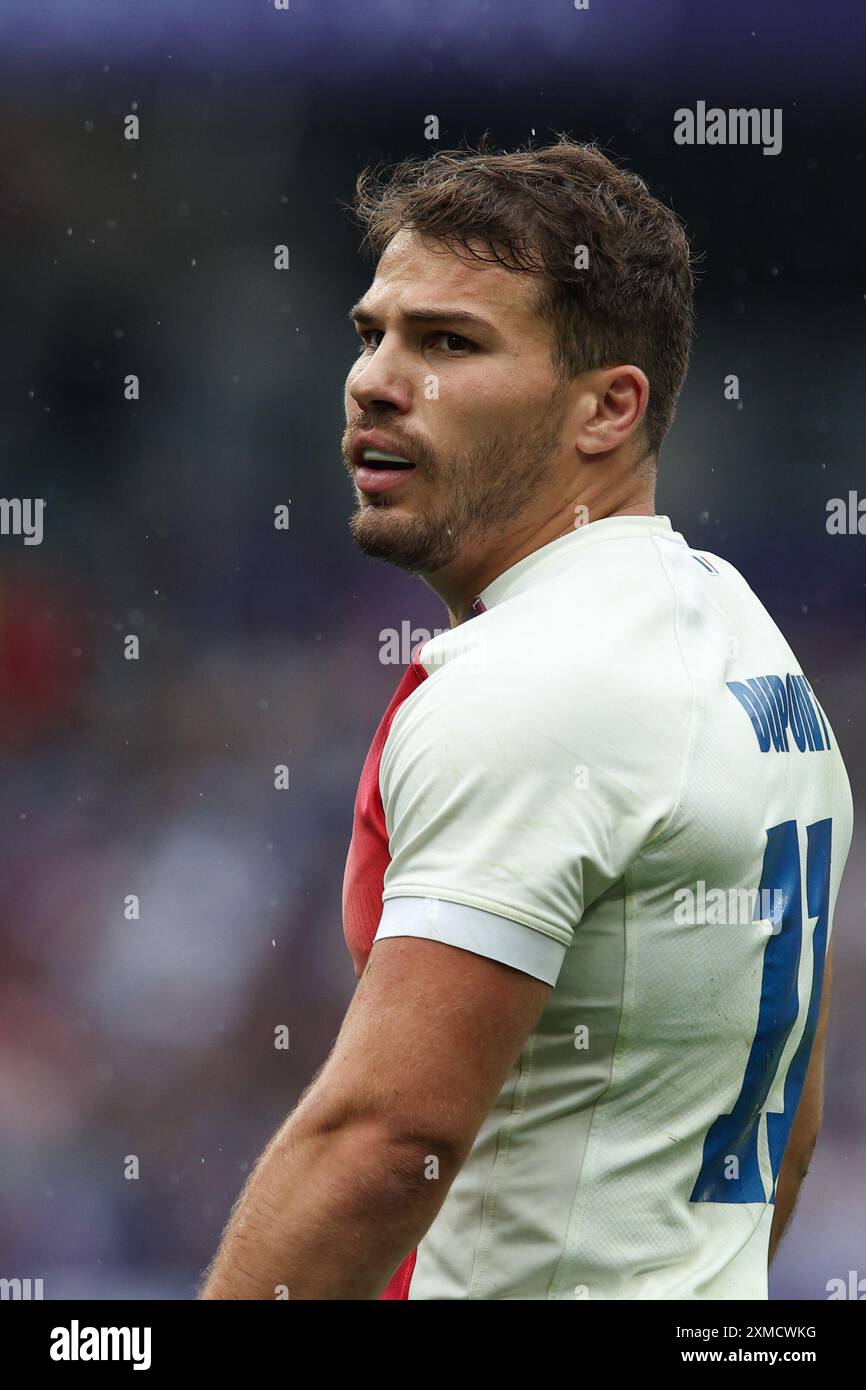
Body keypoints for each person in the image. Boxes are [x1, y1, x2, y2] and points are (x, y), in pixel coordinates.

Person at [200, 138, 853, 1300]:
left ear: (607, 408)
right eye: (373, 333)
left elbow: (382, 1144)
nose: (374, 379)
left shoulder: (538, 682)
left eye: (447, 342)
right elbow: (778, 1138)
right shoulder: (743, 642)